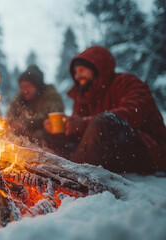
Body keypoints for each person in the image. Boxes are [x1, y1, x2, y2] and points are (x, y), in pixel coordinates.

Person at [44, 45, 166, 174]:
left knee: (104, 122)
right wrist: (64, 127)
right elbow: (82, 133)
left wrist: (85, 123)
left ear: (97, 68)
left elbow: (134, 113)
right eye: (75, 72)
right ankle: (50, 173)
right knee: (47, 136)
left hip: (150, 151)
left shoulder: (127, 82)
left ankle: (73, 178)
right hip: (111, 153)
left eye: (81, 70)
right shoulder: (83, 96)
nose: (77, 75)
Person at [7, 65, 64, 140]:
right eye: (21, 87)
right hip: (28, 131)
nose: (24, 90)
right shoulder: (20, 97)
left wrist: (24, 123)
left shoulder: (51, 95)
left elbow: (47, 117)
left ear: (37, 86)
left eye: (27, 86)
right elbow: (10, 114)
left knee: (39, 135)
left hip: (47, 132)